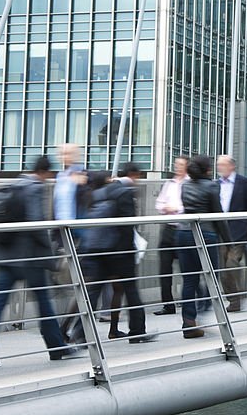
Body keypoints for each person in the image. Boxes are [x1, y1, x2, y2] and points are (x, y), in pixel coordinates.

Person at [0, 156, 80, 371]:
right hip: (29, 257)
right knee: (44, 303)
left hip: (6, 254)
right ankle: (57, 347)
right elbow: (36, 224)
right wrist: (50, 257)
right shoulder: (35, 188)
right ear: (46, 173)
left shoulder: (15, 184)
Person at [83, 165, 156, 344]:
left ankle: (80, 333)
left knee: (92, 292)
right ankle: (137, 332)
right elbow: (127, 224)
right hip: (120, 251)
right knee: (131, 291)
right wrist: (128, 250)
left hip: (98, 250)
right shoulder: (123, 193)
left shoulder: (95, 194)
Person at [177, 155, 231, 338]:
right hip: (205, 235)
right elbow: (217, 214)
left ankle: (189, 322)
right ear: (207, 170)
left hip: (184, 233)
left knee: (189, 280)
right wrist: (228, 240)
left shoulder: (184, 185)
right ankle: (203, 309)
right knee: (212, 277)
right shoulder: (211, 186)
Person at [53, 144, 92, 343]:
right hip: (63, 238)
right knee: (73, 285)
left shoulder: (84, 175)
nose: (64, 156)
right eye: (62, 153)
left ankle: (68, 329)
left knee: (82, 284)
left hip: (80, 238)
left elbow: (90, 201)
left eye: (68, 152)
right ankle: (70, 329)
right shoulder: (61, 177)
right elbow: (57, 208)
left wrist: (83, 184)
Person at [216, 155, 247, 313]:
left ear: (232, 166)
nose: (219, 167)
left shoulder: (244, 182)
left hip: (240, 231)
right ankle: (233, 300)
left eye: (222, 164)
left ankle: (239, 294)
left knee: (231, 264)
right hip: (221, 231)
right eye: (218, 165)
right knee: (222, 268)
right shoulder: (215, 184)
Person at [152, 156, 190, 315]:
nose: (177, 167)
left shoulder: (190, 183)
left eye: (181, 165)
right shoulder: (169, 184)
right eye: (176, 164)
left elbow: (189, 205)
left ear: (187, 167)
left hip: (183, 229)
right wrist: (167, 208)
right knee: (164, 268)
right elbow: (159, 204)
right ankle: (168, 304)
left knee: (187, 269)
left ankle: (190, 302)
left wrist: (176, 208)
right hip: (168, 229)